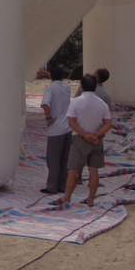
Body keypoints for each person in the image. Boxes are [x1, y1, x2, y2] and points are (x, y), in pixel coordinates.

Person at [53, 74, 112, 207]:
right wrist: (96, 135)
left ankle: (67, 198)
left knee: (73, 170)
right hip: (97, 140)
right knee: (94, 170)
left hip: (80, 138)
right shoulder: (101, 103)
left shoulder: (75, 102)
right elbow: (108, 124)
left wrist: (85, 135)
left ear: (82, 86)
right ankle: (90, 199)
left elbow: (71, 122)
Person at [39, 64, 72, 194]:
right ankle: (62, 185)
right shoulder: (67, 87)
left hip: (56, 128)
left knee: (53, 159)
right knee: (64, 159)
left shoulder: (50, 88)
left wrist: (48, 118)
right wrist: (48, 74)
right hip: (67, 127)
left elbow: (46, 104)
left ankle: (51, 186)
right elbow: (57, 79)